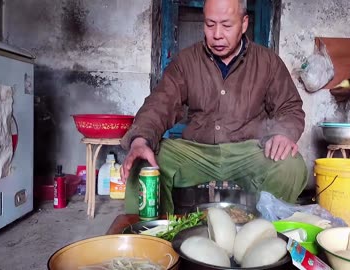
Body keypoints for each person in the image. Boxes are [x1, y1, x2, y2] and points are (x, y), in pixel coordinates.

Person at [120, 0, 308, 214]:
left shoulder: (268, 62)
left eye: (227, 25)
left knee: (291, 165)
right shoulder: (186, 61)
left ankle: (262, 233)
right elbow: (159, 104)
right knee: (143, 163)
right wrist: (140, 140)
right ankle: (154, 237)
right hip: (197, 152)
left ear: (244, 23)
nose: (217, 34)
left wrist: (283, 134)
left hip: (248, 152)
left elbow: (290, 108)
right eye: (210, 24)